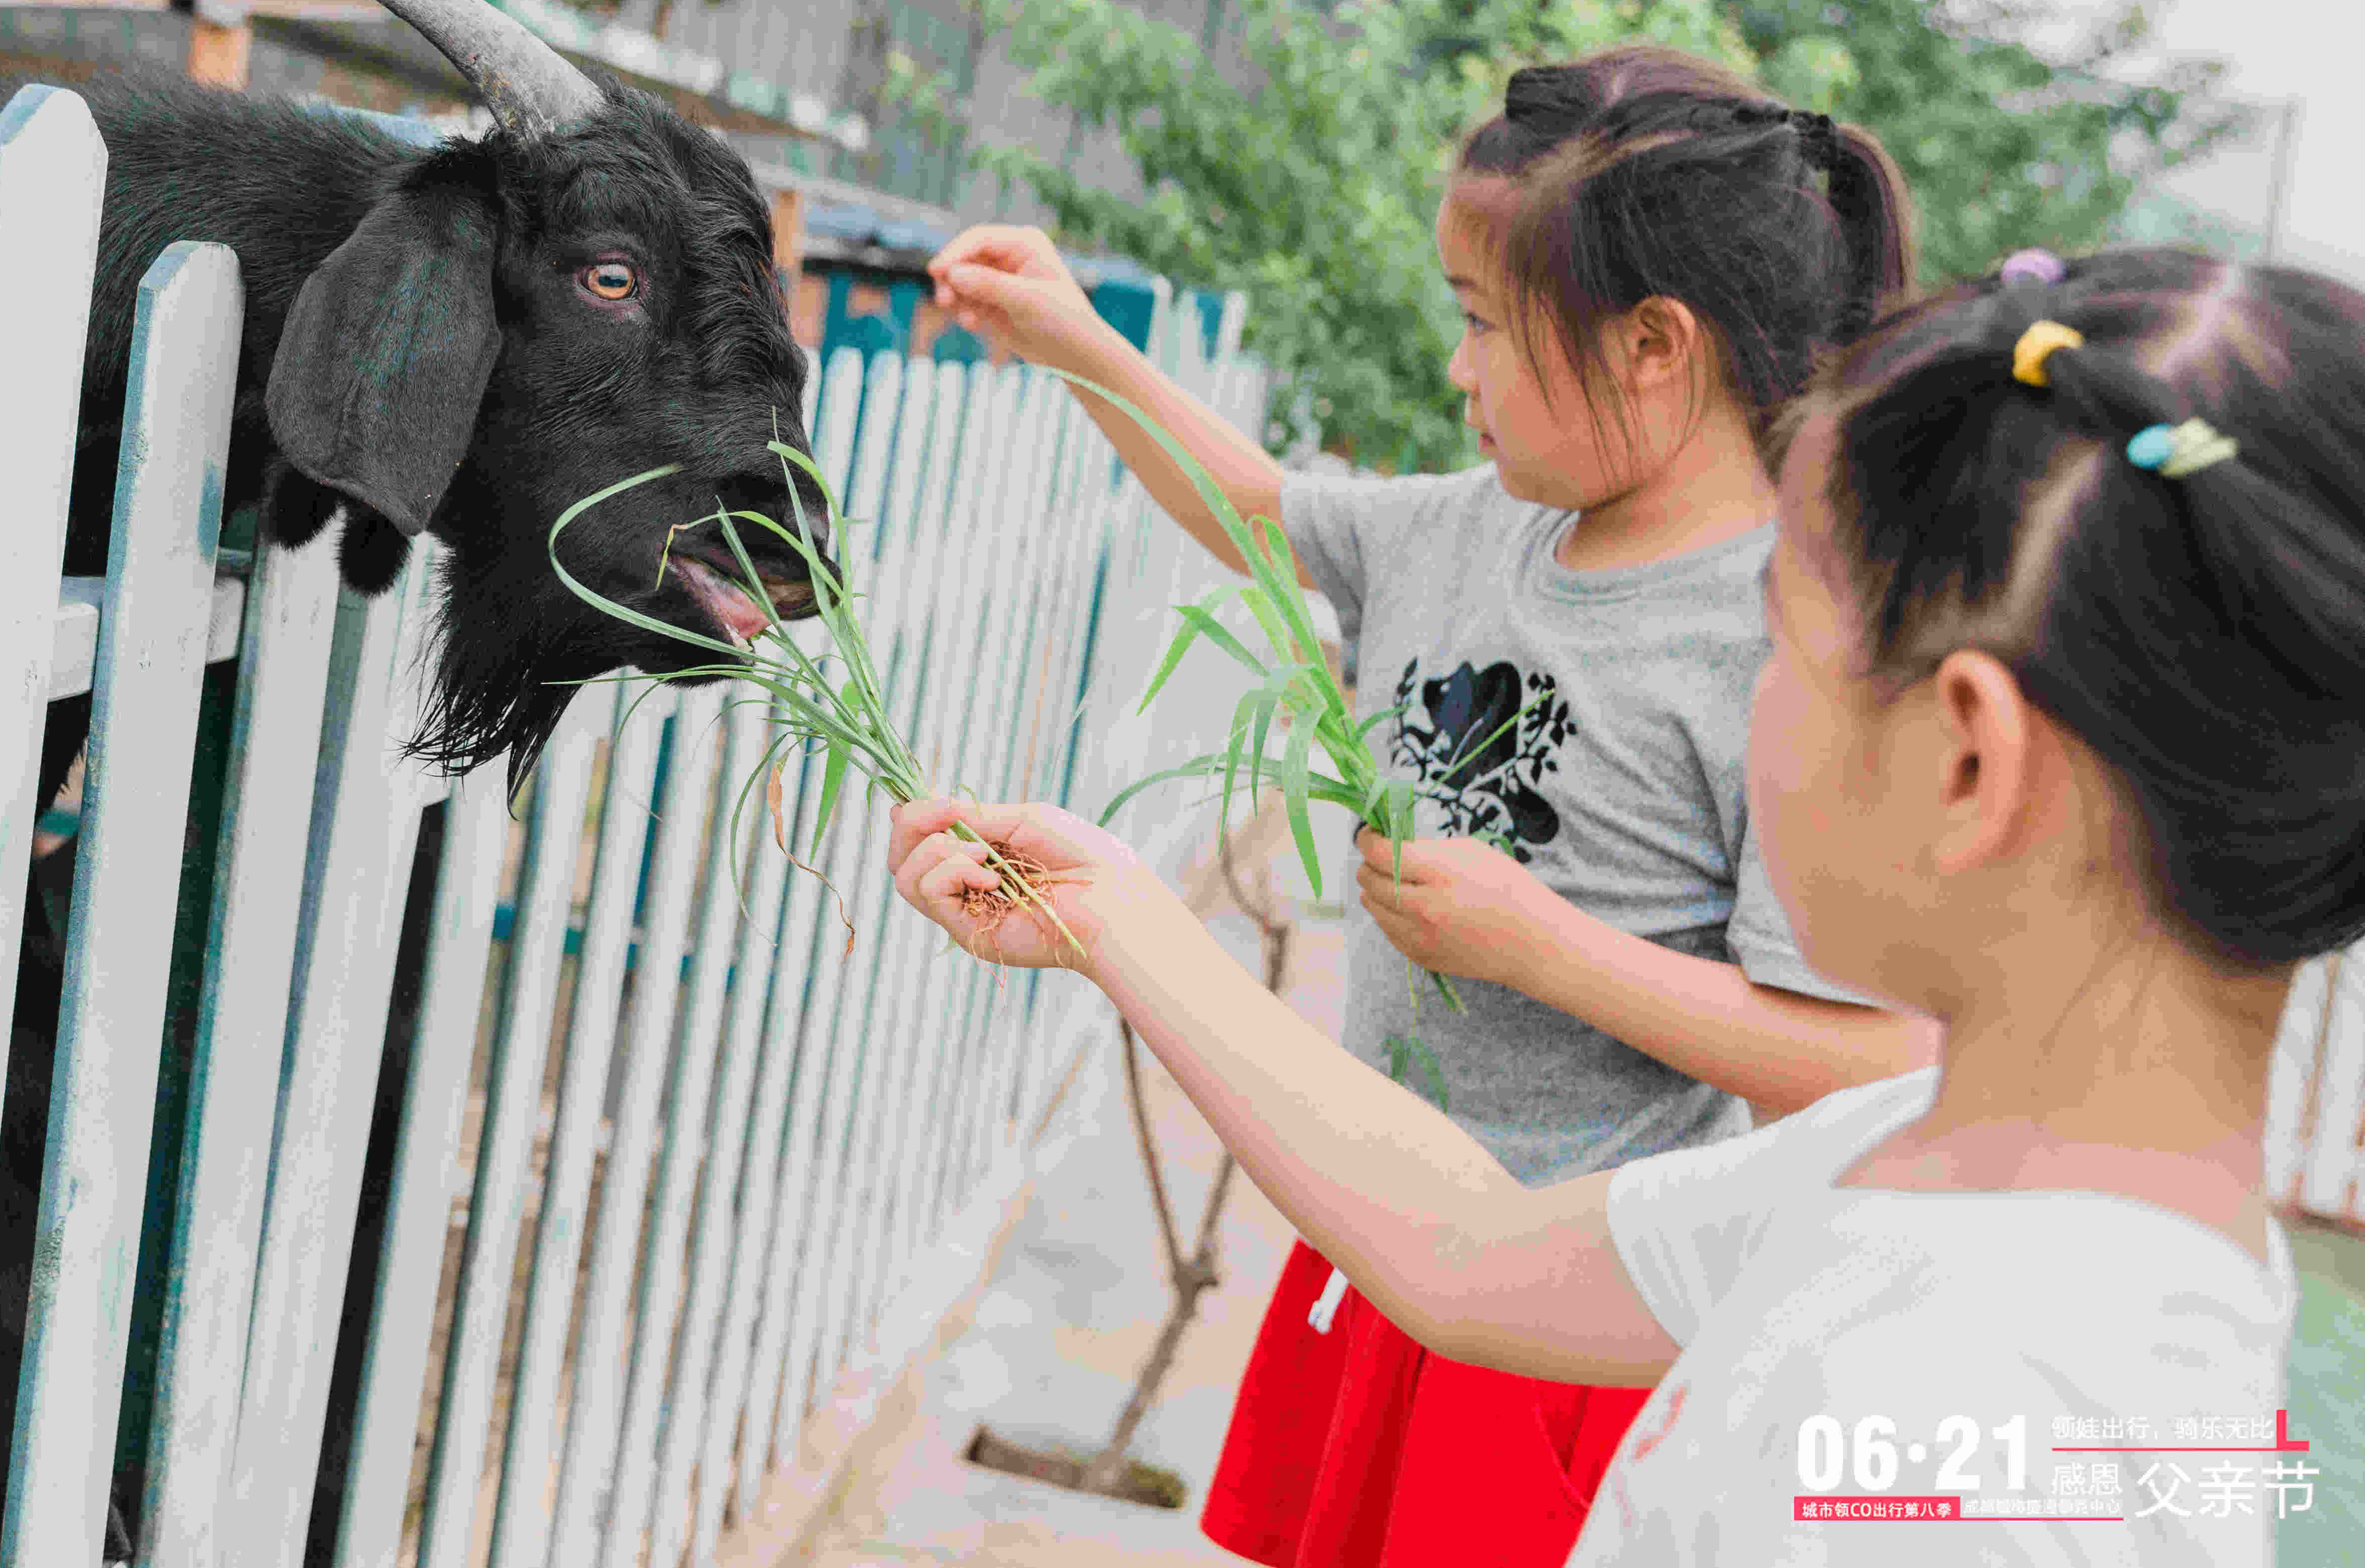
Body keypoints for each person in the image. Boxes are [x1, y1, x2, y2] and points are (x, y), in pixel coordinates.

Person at [892, 247, 2352, 1565]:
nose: (1752, 700)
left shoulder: (1957, 1458)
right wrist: (1117, 917)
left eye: (1777, 646)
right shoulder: (1968, 1174)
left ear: (1968, 757)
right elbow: (1473, 1250)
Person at [928, 47, 1941, 1565]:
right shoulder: (1477, 528)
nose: (1457, 370)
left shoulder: (1776, 654)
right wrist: (1075, 343)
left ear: (1655, 346)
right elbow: (1255, 513)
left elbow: (1868, 1064)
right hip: (1379, 1242)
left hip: (1562, 1320)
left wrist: (1549, 947)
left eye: (1484, 324)